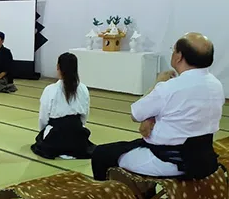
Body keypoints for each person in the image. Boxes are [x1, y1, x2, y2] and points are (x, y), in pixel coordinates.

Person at [91, 33, 224, 182]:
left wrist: (157, 83)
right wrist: (151, 117)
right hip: (203, 159)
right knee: (126, 147)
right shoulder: (216, 85)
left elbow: (136, 113)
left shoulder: (170, 87)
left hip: (168, 161)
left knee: (102, 153)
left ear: (179, 56)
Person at [31, 53, 94, 160]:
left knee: (40, 142)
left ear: (58, 67)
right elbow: (84, 116)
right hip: (77, 136)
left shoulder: (50, 89)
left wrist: (43, 132)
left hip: (56, 136)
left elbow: (43, 117)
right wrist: (79, 127)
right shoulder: (83, 89)